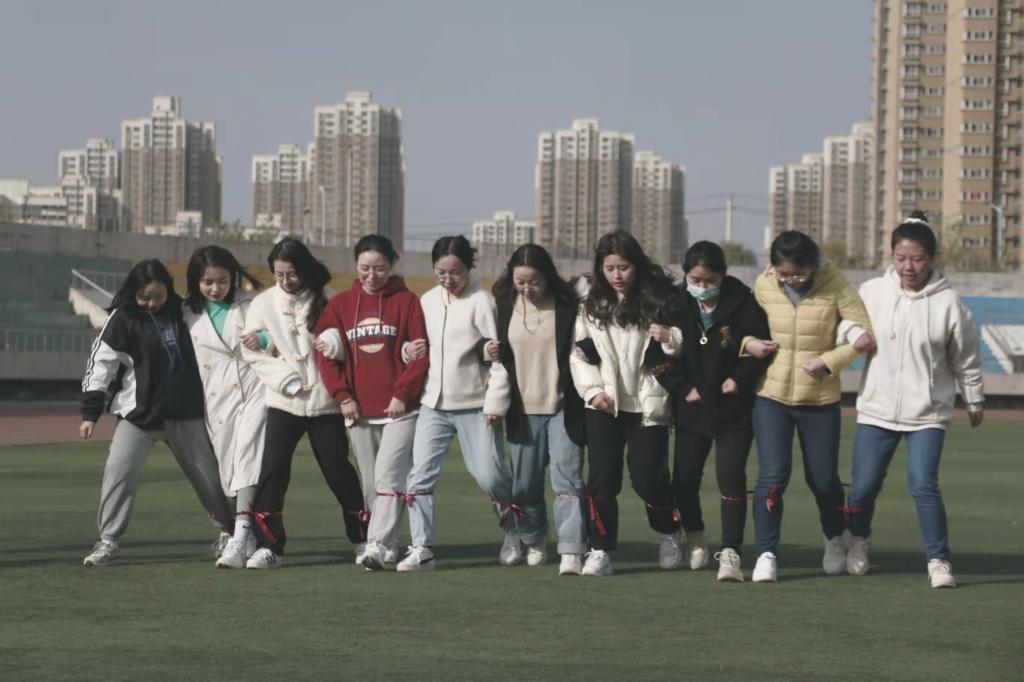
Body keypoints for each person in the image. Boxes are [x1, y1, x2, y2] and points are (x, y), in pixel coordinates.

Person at [844, 211, 984, 588]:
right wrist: (854, 333)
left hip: (928, 412)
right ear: (892, 256)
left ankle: (938, 560)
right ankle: (858, 540)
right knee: (863, 486)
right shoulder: (873, 291)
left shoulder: (950, 303)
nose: (908, 267)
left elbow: (966, 357)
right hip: (877, 407)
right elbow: (845, 321)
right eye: (901, 258)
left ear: (931, 259)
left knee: (923, 484)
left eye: (917, 259)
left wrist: (974, 398)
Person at [79, 259, 234, 566]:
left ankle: (230, 534)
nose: (151, 303)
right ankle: (108, 540)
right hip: (139, 415)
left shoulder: (185, 311)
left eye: (158, 296)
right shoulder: (122, 317)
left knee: (210, 477)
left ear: (169, 290)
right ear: (132, 292)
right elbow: (100, 364)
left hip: (186, 412)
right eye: (144, 297)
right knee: (118, 472)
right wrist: (90, 412)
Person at [743, 230, 873, 583]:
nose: (791, 280)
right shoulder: (764, 284)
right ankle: (766, 553)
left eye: (798, 274)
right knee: (772, 477)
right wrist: (748, 343)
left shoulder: (836, 284)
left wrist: (828, 362)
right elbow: (745, 326)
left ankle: (833, 539)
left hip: (819, 400)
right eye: (783, 273)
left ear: (813, 265)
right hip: (771, 397)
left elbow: (864, 335)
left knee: (824, 480)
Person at [240, 237, 367, 569]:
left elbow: (345, 346)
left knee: (338, 470)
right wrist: (285, 377)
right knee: (273, 469)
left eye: (292, 274)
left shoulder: (328, 299)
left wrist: (333, 346)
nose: (285, 281)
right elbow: (253, 352)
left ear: (305, 269)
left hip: (325, 401)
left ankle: (363, 538)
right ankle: (269, 546)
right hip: (285, 400)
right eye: (279, 274)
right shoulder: (263, 303)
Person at [395, 235, 514, 572]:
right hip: (432, 404)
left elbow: (499, 358)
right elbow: (414, 344)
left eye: (456, 272)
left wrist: (495, 404)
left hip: (476, 405)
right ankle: (422, 549)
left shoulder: (483, 301)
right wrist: (407, 351)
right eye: (441, 273)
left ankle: (516, 531)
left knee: (490, 476)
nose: (448, 280)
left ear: (469, 267)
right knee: (419, 478)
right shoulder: (427, 300)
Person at [569, 230, 684, 577]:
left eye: (624, 267)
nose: (617, 275)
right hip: (604, 404)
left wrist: (672, 338)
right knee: (602, 478)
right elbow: (578, 353)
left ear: (637, 265)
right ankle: (600, 549)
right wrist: (593, 392)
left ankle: (669, 533)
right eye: (610, 268)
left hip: (649, 403)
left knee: (648, 478)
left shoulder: (660, 299)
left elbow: (683, 342)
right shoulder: (589, 304)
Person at [655, 241, 770, 582]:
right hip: (692, 409)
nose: (702, 287)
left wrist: (739, 379)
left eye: (710, 281)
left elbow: (760, 348)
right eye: (696, 280)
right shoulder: (675, 303)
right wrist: (683, 388)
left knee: (731, 478)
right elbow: (655, 358)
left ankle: (730, 551)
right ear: (686, 276)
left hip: (733, 410)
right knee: (685, 480)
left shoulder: (744, 301)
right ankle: (695, 535)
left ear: (723, 276)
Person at [315, 235, 429, 571]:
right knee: (370, 484)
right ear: (356, 265)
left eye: (379, 268)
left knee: (388, 477)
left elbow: (420, 353)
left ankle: (377, 544)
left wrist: (402, 394)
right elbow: (325, 357)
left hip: (400, 410)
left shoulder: (408, 301)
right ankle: (388, 545)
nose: (371, 275)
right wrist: (343, 396)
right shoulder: (340, 305)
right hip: (359, 411)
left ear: (391, 266)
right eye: (364, 268)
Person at [491, 244, 588, 575]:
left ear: (547, 277)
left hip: (563, 406)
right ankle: (533, 538)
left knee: (568, 481)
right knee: (525, 486)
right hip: (522, 409)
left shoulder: (567, 305)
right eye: (520, 282)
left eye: (534, 282)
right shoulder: (503, 306)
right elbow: (492, 353)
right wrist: (486, 351)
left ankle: (572, 548)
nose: (527, 289)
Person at [183, 245, 268, 568]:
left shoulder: (251, 305)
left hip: (253, 391)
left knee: (247, 460)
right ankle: (248, 535)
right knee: (228, 476)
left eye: (222, 281)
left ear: (233, 278)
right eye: (208, 282)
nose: (215, 288)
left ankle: (240, 537)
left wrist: (263, 339)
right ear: (196, 281)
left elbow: (275, 337)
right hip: (216, 401)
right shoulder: (186, 313)